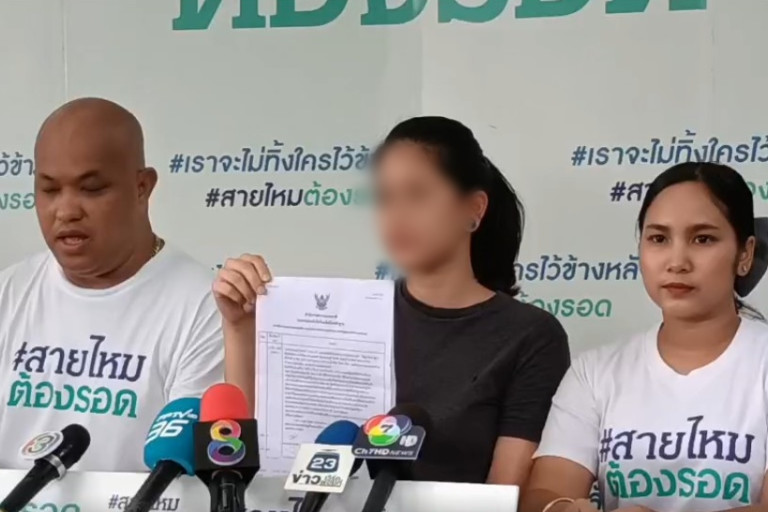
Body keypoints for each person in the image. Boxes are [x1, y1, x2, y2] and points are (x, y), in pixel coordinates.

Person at [215, 116, 571, 484]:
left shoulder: (531, 336)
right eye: (385, 198)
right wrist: (239, 328)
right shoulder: (349, 318)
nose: (397, 216)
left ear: (473, 209)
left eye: (417, 195)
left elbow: (505, 494)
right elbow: (241, 453)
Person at [521, 162, 768, 512]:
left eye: (703, 239)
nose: (677, 261)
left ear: (745, 254)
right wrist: (564, 508)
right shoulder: (595, 372)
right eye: (658, 239)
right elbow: (545, 493)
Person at [0, 98, 225, 471]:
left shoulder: (206, 308)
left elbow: (195, 474)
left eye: (91, 189)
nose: (66, 211)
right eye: (50, 190)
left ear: (141, 187)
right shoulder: (8, 292)